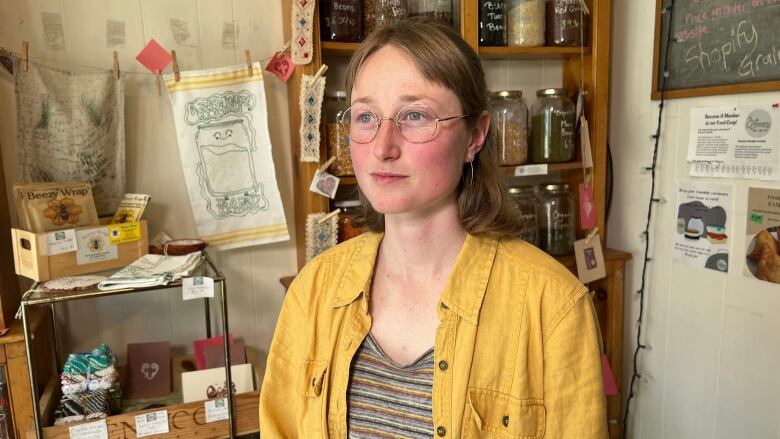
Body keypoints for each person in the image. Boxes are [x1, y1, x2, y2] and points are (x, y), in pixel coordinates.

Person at [260, 18, 607, 438]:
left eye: (416, 115)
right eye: (366, 116)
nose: (383, 148)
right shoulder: (313, 291)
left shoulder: (554, 307)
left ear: (475, 136)